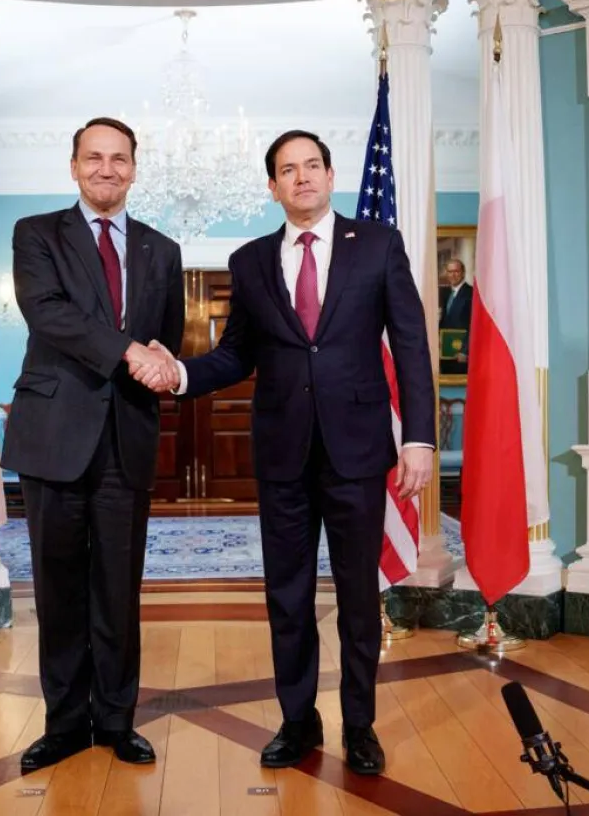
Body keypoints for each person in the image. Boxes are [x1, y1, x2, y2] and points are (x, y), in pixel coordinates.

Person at [135, 129, 435, 776]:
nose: (301, 178)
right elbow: (237, 353)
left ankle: (361, 727)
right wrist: (181, 374)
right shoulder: (247, 262)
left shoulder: (378, 245)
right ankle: (299, 722)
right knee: (288, 597)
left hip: (358, 453)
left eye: (311, 166)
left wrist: (418, 438)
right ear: (271, 187)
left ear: (330, 175)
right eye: (286, 170)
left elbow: (410, 345)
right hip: (282, 456)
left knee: (357, 597)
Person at [0, 117, 184, 773]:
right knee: (58, 588)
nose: (107, 169)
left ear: (135, 168)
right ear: (74, 165)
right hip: (53, 435)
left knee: (117, 589)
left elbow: (167, 337)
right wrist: (132, 350)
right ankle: (64, 724)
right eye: (93, 158)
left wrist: (159, 358)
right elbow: (49, 313)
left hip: (126, 438)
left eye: (119, 159)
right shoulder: (36, 235)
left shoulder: (163, 250)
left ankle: (115, 721)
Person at [438, 255, 472, 373]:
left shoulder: (471, 293)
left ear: (463, 273)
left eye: (456, 271)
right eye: (450, 271)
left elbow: (474, 326)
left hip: (461, 354)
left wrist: (465, 350)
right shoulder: (445, 293)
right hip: (444, 353)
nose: (453, 275)